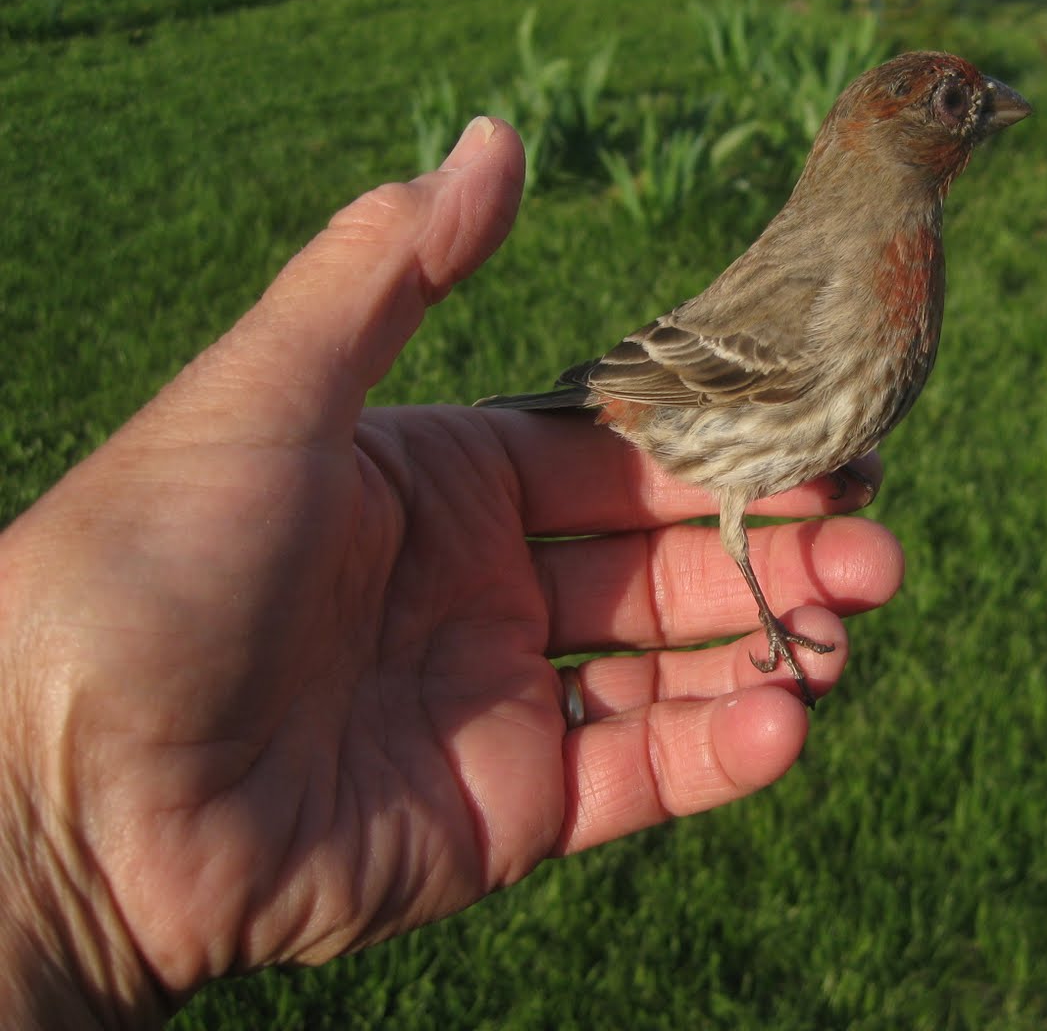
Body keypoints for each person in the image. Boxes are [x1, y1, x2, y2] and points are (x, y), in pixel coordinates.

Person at [0, 118, 903, 1026]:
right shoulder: (819, 293)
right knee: (750, 536)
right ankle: (777, 625)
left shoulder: (855, 275)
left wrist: (59, 873)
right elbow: (702, 376)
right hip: (680, 401)